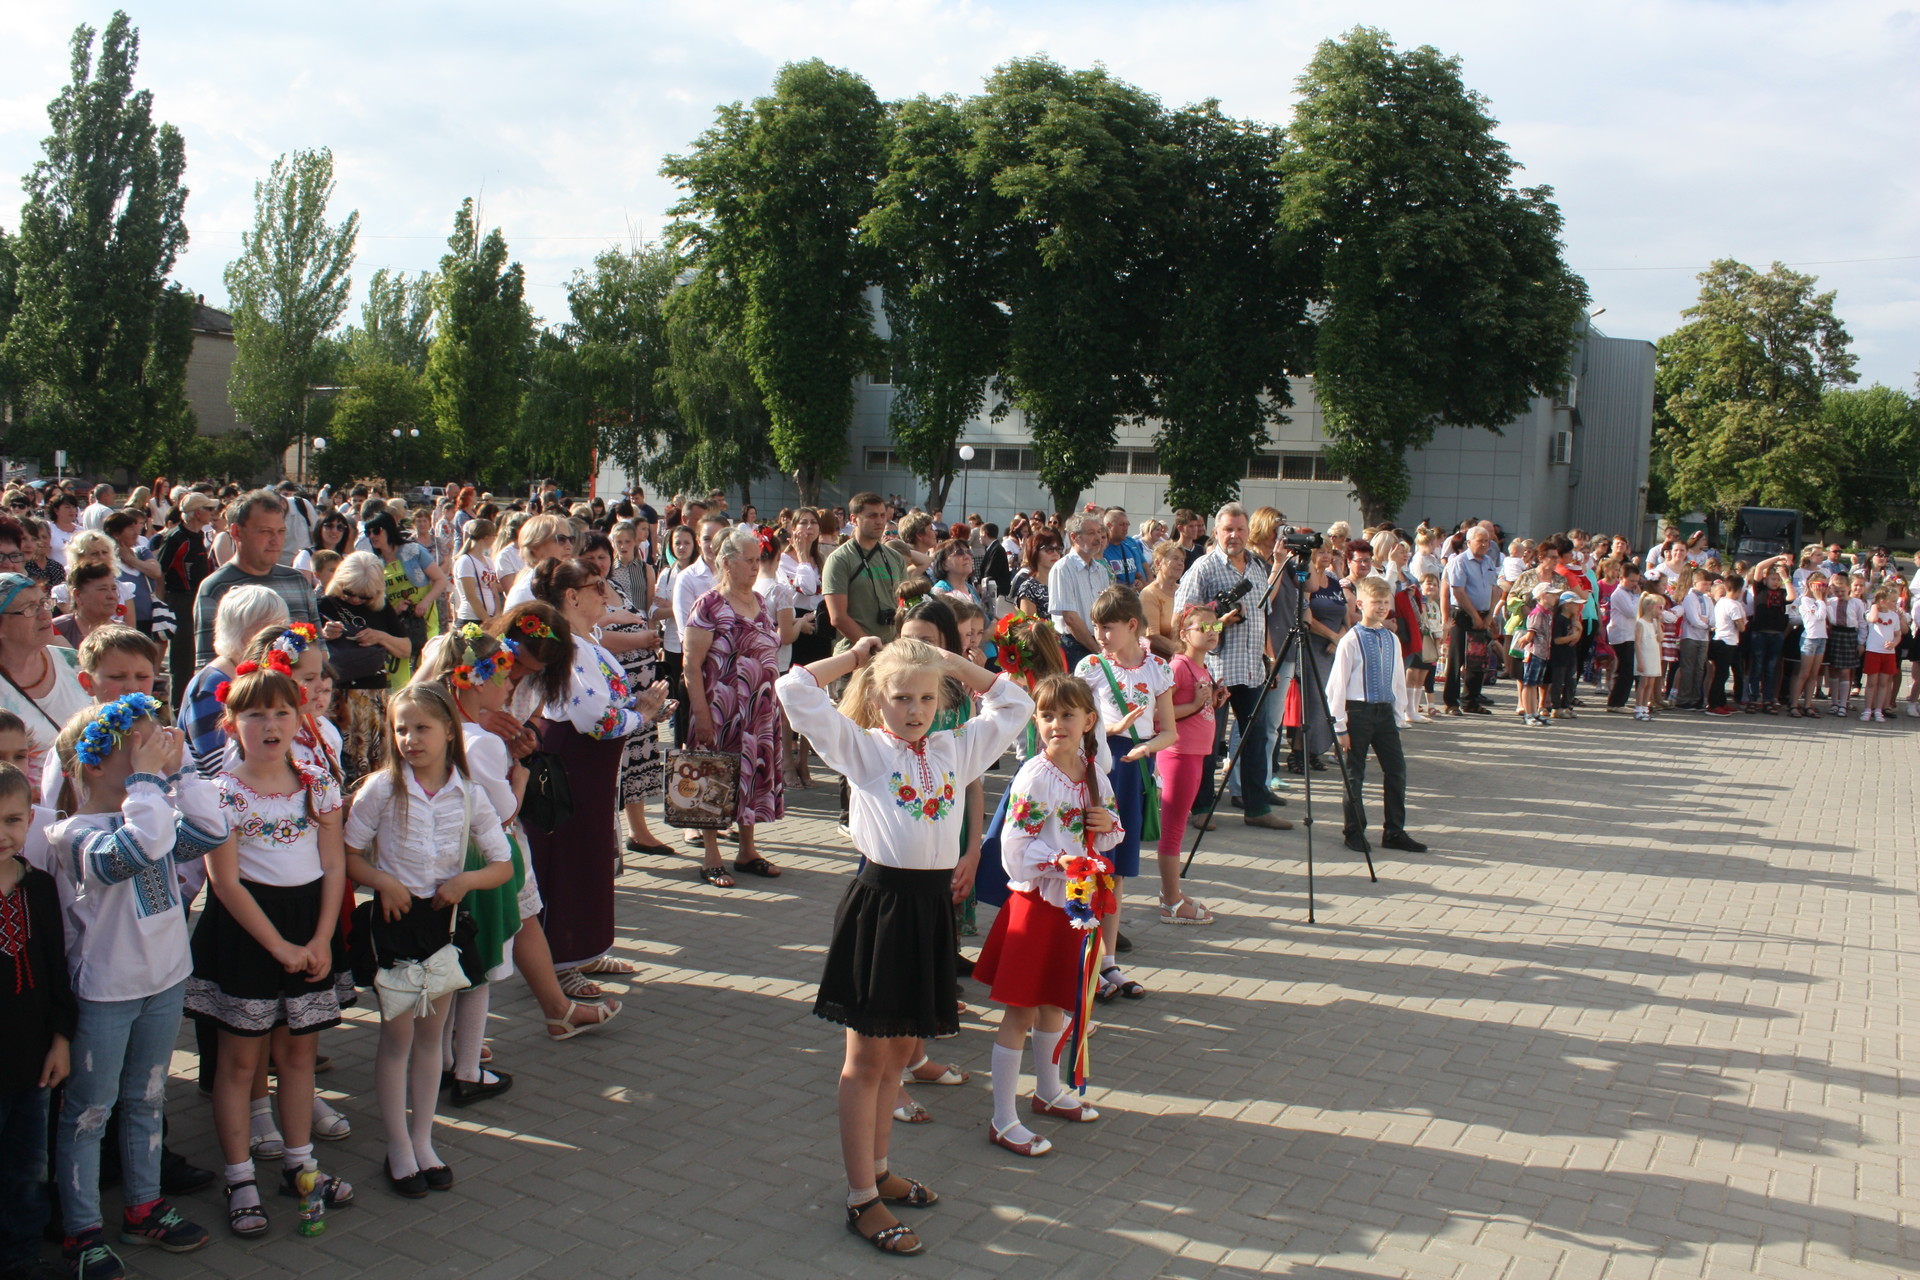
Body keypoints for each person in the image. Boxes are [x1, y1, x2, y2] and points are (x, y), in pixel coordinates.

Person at [774, 636, 1031, 1257]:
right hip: (881, 911)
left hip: (929, 913)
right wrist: (856, 660)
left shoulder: (953, 747)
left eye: (923, 697)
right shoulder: (863, 750)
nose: (913, 709)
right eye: (899, 698)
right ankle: (862, 1197)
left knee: (895, 1060)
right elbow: (791, 689)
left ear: (940, 700)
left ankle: (881, 1167)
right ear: (878, 701)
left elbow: (1015, 704)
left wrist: (953, 664)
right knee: (865, 1064)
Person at [46, 700, 224, 1276]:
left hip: (165, 979)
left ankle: (144, 1206)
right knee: (89, 1112)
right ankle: (80, 1230)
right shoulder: (74, 836)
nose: (155, 755)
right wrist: (150, 782)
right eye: (139, 748)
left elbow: (211, 829)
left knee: (147, 1098)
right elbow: (136, 851)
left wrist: (185, 772)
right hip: (106, 993)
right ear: (96, 765)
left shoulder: (152, 812)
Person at [185, 656, 352, 1234]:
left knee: (299, 1054)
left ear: (300, 716)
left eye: (282, 711)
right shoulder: (221, 794)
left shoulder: (316, 781)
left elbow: (334, 866)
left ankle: (300, 1165)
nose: (271, 724)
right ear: (231, 725)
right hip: (247, 932)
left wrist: (322, 936)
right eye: (255, 715)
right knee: (239, 1062)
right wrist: (279, 946)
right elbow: (224, 881)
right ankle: (239, 1176)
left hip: (308, 925)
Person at [344, 684, 515, 1197]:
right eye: (400, 728)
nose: (410, 739)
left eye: (422, 728)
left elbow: (502, 864)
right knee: (397, 1038)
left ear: (448, 731)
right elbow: (349, 855)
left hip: (443, 925)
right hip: (396, 923)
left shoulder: (469, 791)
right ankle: (397, 1145)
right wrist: (383, 882)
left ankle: (423, 1140)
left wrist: (465, 881)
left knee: (430, 1040)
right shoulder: (381, 788)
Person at [972, 673, 1122, 1160]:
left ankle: (1049, 1091)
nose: (1057, 723)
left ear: (1089, 721)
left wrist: (1108, 824)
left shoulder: (1093, 771)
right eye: (1047, 715)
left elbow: (1112, 832)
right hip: (1038, 904)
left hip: (1075, 906)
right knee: (1021, 1009)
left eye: (1067, 714)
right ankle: (1002, 1117)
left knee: (1056, 1002)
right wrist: (1057, 860)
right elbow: (1013, 849)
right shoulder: (1035, 776)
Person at [523, 560, 667, 988]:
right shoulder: (565, 643)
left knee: (592, 858)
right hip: (573, 764)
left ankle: (587, 950)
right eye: (596, 586)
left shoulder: (585, 639)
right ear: (572, 596)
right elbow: (593, 718)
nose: (605, 594)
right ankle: (561, 962)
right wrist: (640, 715)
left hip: (591, 766)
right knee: (570, 861)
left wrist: (641, 710)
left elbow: (608, 707)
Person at [1072, 587, 1175, 1001]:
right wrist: (1111, 731)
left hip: (1134, 770)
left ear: (1132, 626)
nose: (1099, 634)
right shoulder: (1091, 667)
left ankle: (1108, 960)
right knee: (1089, 862)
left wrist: (1147, 746)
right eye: (1096, 626)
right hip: (1097, 766)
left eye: (1107, 627)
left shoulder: (1157, 668)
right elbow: (1075, 723)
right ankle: (1083, 958)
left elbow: (1169, 729)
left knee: (1115, 870)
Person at [0, 761, 74, 1280]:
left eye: (10, 819)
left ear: (29, 819)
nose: (1, 834)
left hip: (31, 1061)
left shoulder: (40, 888)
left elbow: (55, 971)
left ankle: (22, 1256)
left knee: (27, 1167)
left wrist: (61, 1039)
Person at [1173, 504, 1288, 830]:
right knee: (1207, 743)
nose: (1234, 536)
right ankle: (1201, 808)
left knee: (1256, 740)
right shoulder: (1203, 569)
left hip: (1250, 668)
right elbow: (1180, 622)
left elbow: (1263, 608)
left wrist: (1269, 659)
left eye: (1240, 529)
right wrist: (1219, 622)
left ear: (1248, 532)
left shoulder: (1256, 567)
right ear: (1217, 532)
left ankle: (1257, 808)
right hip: (1213, 670)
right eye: (1228, 530)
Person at [684, 529, 786, 887]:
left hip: (758, 712)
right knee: (713, 777)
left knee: (751, 776)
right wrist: (700, 714)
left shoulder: (759, 599)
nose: (756, 567)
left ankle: (747, 851)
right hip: (721, 710)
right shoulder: (709, 605)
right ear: (727, 563)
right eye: (749, 560)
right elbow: (690, 663)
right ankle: (712, 856)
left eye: (758, 560)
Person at [577, 532, 670, 858]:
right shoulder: (582, 596)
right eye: (591, 558)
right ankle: (616, 833)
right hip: (615, 692)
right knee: (619, 760)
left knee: (639, 759)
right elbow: (595, 638)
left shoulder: (613, 587)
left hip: (641, 689)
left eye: (603, 557)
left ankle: (639, 829)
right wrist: (640, 640)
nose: (598, 563)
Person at [1326, 576, 1426, 855]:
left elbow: (1396, 678)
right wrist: (1340, 726)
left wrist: (1398, 714)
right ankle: (1354, 830)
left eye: (1385, 602)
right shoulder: (1351, 640)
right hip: (1358, 712)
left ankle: (1394, 831)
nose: (1381, 607)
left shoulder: (1391, 638)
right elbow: (1337, 685)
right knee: (1355, 774)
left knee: (1396, 771)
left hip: (1384, 713)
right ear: (1360, 604)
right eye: (1375, 602)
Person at [191, 491, 328, 668]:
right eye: (266, 532)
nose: (276, 540)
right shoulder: (215, 588)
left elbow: (319, 649)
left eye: (281, 531)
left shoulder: (297, 581)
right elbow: (209, 666)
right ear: (236, 532)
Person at [1155, 605, 1224, 925]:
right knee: (1173, 830)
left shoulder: (1201, 667)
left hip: (1196, 754)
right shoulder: (1179, 666)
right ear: (1184, 635)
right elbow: (1160, 716)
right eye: (1204, 628)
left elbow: (1195, 707)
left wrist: (1212, 700)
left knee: (1177, 828)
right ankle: (1170, 900)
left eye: (1216, 628)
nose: (1212, 633)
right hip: (1179, 754)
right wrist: (1197, 704)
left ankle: (1174, 891)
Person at [317, 553, 412, 784]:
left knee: (377, 768)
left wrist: (381, 637)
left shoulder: (381, 609)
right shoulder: (324, 604)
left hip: (373, 696)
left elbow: (406, 648)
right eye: (349, 593)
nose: (356, 601)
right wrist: (324, 633)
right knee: (344, 767)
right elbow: (307, 644)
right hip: (338, 698)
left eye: (364, 596)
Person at [0, 574, 94, 789]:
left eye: (44, 603)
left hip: (87, 806)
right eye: (30, 608)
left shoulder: (74, 663)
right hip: (20, 813)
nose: (45, 615)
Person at [822, 493, 904, 653]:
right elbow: (838, 617)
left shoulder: (895, 558)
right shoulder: (839, 559)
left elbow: (906, 604)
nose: (880, 521)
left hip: (891, 655)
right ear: (853, 519)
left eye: (882, 515)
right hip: (854, 656)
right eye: (872, 516)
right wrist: (874, 648)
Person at [155, 493, 217, 705]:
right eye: (208, 509)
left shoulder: (199, 535)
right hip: (180, 601)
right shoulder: (176, 537)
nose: (212, 512)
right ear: (198, 513)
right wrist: (162, 604)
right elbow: (159, 571)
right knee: (181, 660)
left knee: (199, 653)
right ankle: (178, 708)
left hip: (198, 600)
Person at [1441, 526, 1500, 715]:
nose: (1484, 544)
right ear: (1469, 542)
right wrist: (1474, 615)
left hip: (1483, 614)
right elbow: (1458, 591)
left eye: (1487, 541)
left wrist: (1489, 615)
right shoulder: (1459, 562)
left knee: (1478, 660)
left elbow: (1494, 588)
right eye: (1480, 541)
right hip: (1464, 615)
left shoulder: (1489, 561)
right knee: (1457, 659)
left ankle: (1471, 701)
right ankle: (1451, 702)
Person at [1047, 513, 1112, 670]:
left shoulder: (1101, 570)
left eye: (1099, 532)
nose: (1098, 538)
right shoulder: (1063, 568)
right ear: (1075, 537)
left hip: (1098, 642)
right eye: (1091, 533)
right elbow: (1070, 619)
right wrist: (1098, 650)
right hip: (1073, 646)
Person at [1861, 587, 1906, 721]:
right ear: (1883, 601)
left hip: (1888, 653)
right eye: (1893, 601)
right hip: (1873, 651)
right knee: (1871, 682)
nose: (1895, 604)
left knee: (1884, 683)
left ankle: (1878, 710)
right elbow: (1873, 619)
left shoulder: (1894, 616)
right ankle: (1868, 709)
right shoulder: (1872, 611)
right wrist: (1875, 605)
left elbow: (1898, 634)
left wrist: (1894, 643)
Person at [1706, 575, 1746, 716]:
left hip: (1720, 640)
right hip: (1726, 642)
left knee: (1721, 674)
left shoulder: (1721, 601)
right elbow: (1741, 627)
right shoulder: (1734, 605)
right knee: (1721, 675)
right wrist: (1741, 623)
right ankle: (1713, 704)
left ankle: (1721, 702)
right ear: (1739, 589)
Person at [451, 518, 501, 623]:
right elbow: (470, 596)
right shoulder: (466, 561)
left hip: (489, 618)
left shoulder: (488, 561)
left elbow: (494, 591)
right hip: (471, 619)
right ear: (486, 538)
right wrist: (487, 620)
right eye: (494, 536)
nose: (495, 539)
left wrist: (496, 615)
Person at [1100, 507, 1147, 588]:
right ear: (1109, 525)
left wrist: (1139, 583)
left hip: (1130, 597)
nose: (1125, 528)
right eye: (1121, 524)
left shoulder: (1128, 548)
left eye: (1127, 524)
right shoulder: (1100, 551)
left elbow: (1138, 575)